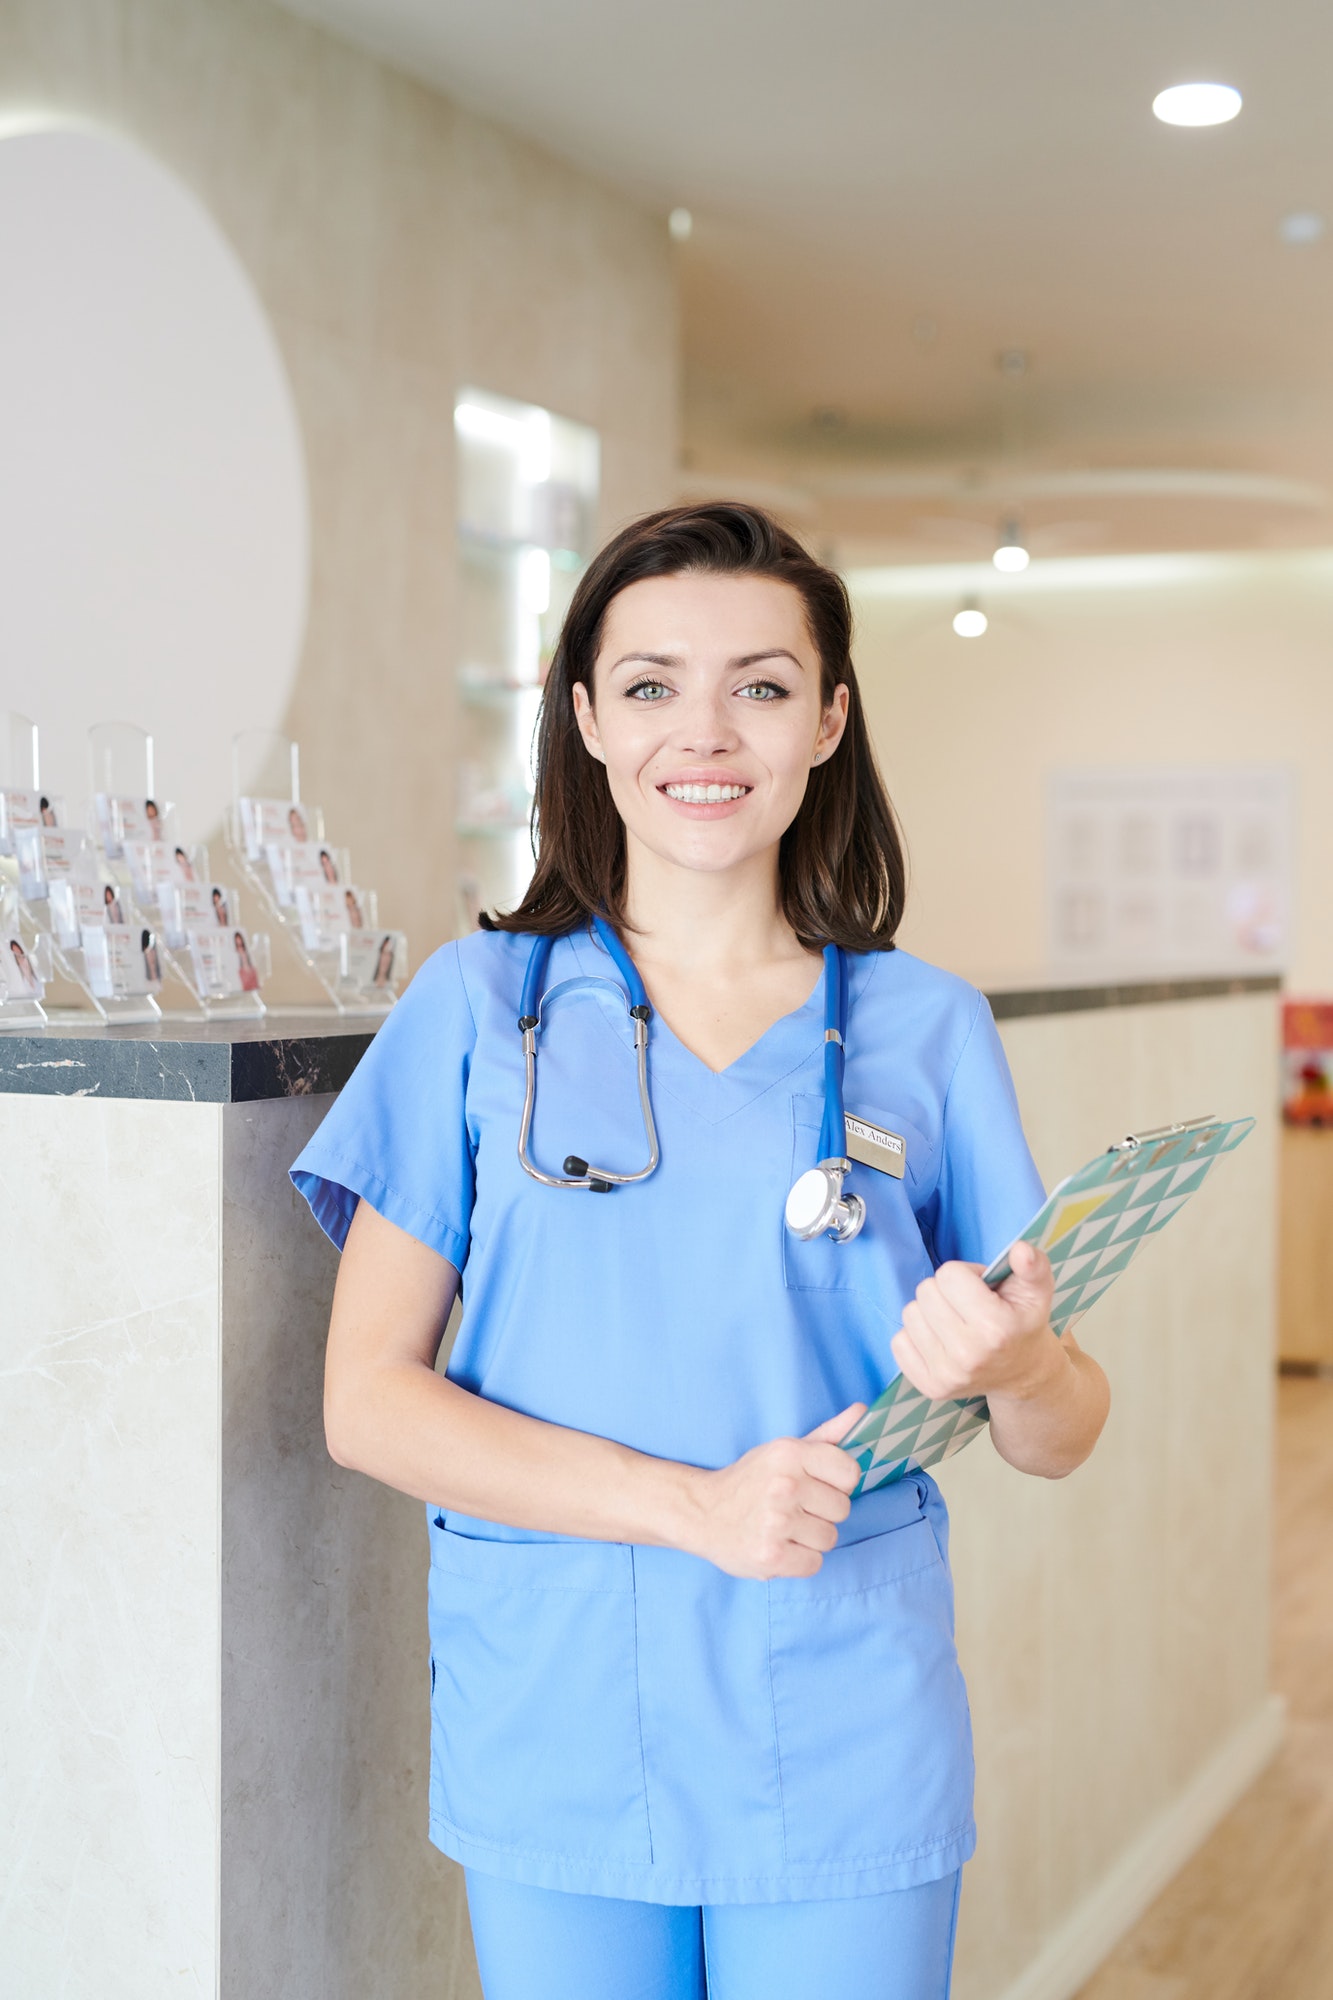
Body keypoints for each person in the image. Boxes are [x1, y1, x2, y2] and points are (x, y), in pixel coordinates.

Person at [290, 504, 1110, 2000]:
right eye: (654, 684)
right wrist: (689, 1508)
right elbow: (367, 1405)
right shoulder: (478, 1010)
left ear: (827, 720)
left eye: (762, 684)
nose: (707, 731)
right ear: (587, 717)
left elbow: (1054, 1433)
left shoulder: (923, 1028)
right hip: (560, 1712)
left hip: (843, 1705)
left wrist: (1027, 1363)